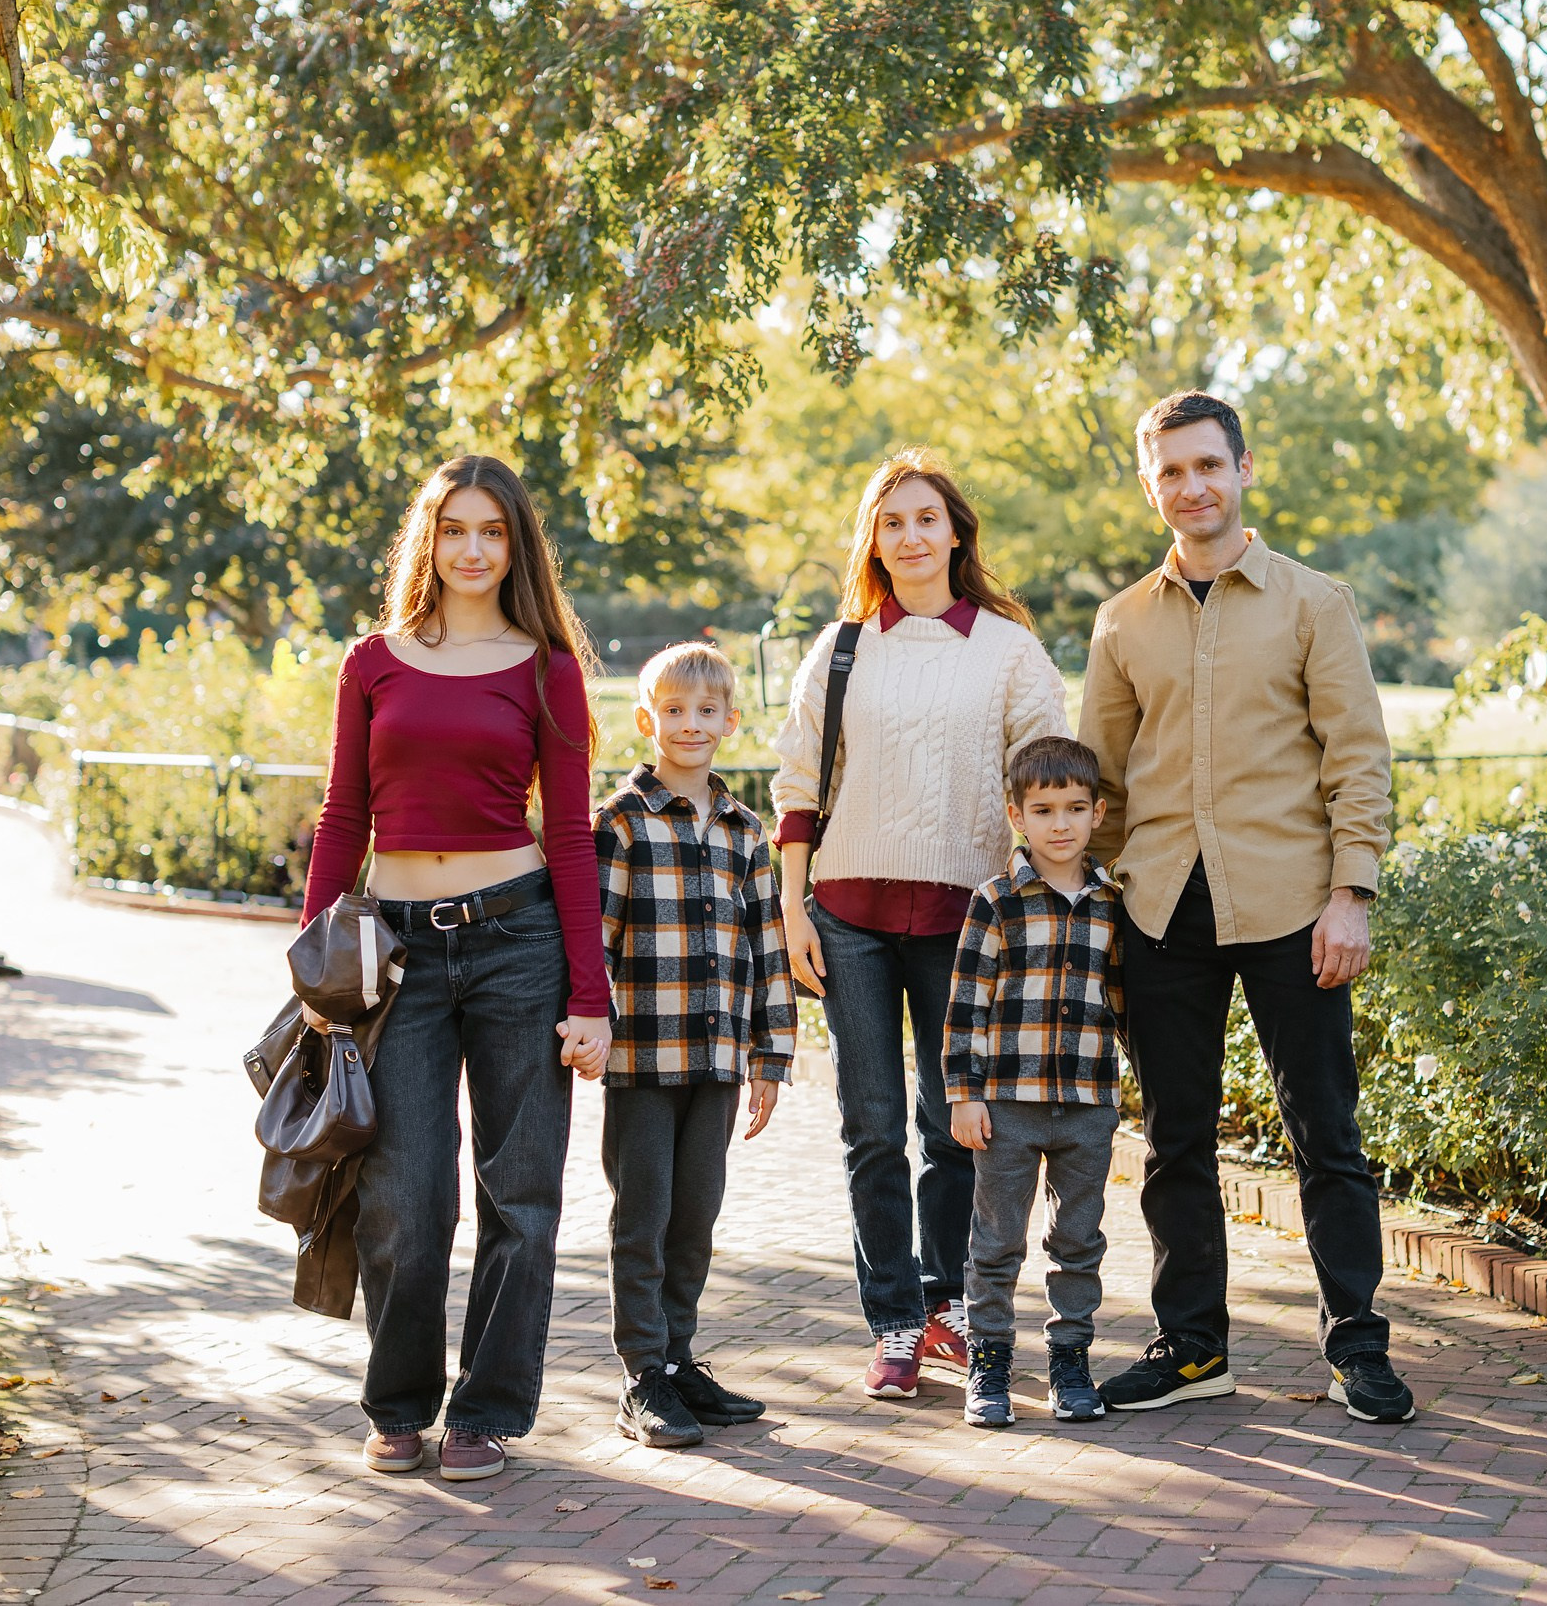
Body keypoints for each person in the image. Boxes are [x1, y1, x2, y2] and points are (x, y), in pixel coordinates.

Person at [1079, 389, 1415, 1424]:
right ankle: (1191, 1349)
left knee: (1326, 1133)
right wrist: (1095, 904)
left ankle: (1355, 1346)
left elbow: (1356, 758)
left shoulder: (1315, 603)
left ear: (1243, 469)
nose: (1191, 487)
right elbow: (1099, 780)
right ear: (1151, 487)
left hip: (1291, 907)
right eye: (1171, 472)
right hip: (1160, 907)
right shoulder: (1121, 621)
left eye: (1206, 465)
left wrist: (1350, 892)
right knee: (1175, 1139)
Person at [301, 455, 614, 1483]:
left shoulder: (545, 667)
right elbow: (345, 817)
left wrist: (588, 997)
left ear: (516, 546)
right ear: (427, 540)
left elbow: (568, 836)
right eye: (455, 530)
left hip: (518, 939)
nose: (473, 550)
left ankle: (484, 1413)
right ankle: (398, 1405)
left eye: (493, 532)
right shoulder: (372, 663)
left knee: (520, 1195)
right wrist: (318, 974)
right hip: (397, 954)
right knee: (403, 1194)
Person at [771, 448, 1068, 1398]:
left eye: (926, 518)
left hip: (962, 920)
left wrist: (1028, 900)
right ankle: (893, 1322)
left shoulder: (1010, 648)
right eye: (891, 521)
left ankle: (949, 1307)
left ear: (955, 532)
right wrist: (791, 909)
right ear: (874, 539)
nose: (909, 536)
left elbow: (1047, 778)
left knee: (952, 1126)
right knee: (870, 1126)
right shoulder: (843, 646)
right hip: (848, 913)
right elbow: (795, 789)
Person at [593, 641, 795, 1449]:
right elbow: (596, 943)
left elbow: (768, 943)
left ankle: (678, 1359)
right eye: (673, 710)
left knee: (696, 1214)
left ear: (730, 722)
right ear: (646, 720)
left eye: (706, 710)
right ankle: (641, 1372)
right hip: (641, 1058)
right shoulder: (620, 823)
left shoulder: (747, 830)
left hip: (715, 1059)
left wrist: (770, 1055)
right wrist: (586, 1028)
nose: (690, 724)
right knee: (642, 1215)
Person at [943, 736, 1123, 1429]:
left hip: (1085, 1106)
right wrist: (964, 1093)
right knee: (997, 1241)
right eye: (1043, 809)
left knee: (1078, 1240)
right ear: (1017, 815)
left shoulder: (1112, 904)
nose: (1060, 824)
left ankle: (1070, 1359)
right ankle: (987, 1363)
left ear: (1098, 812)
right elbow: (965, 1009)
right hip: (1006, 1109)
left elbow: (1122, 1002)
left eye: (1075, 808)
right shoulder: (995, 902)